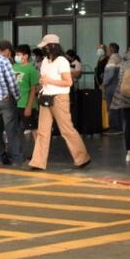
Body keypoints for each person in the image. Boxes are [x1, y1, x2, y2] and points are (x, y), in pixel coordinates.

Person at [28, 35, 91, 171]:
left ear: (52, 46)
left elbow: (68, 82)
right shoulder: (45, 61)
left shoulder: (62, 61)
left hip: (59, 98)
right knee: (42, 131)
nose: (43, 49)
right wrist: (43, 82)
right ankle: (37, 162)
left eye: (45, 46)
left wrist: (49, 81)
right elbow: (45, 78)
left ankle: (82, 158)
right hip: (46, 96)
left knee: (66, 130)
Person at [13, 44, 40, 141]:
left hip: (26, 104)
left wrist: (29, 106)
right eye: (16, 54)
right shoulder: (14, 66)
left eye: (18, 54)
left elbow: (34, 89)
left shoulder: (31, 69)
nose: (16, 56)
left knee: (33, 128)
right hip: (15, 103)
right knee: (15, 129)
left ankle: (39, 153)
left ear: (26, 56)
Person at [102, 43, 123, 134]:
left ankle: (114, 128)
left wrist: (104, 83)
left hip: (111, 87)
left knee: (111, 107)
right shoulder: (120, 58)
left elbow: (109, 74)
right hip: (119, 86)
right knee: (118, 107)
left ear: (111, 49)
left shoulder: (112, 59)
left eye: (108, 50)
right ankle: (119, 127)